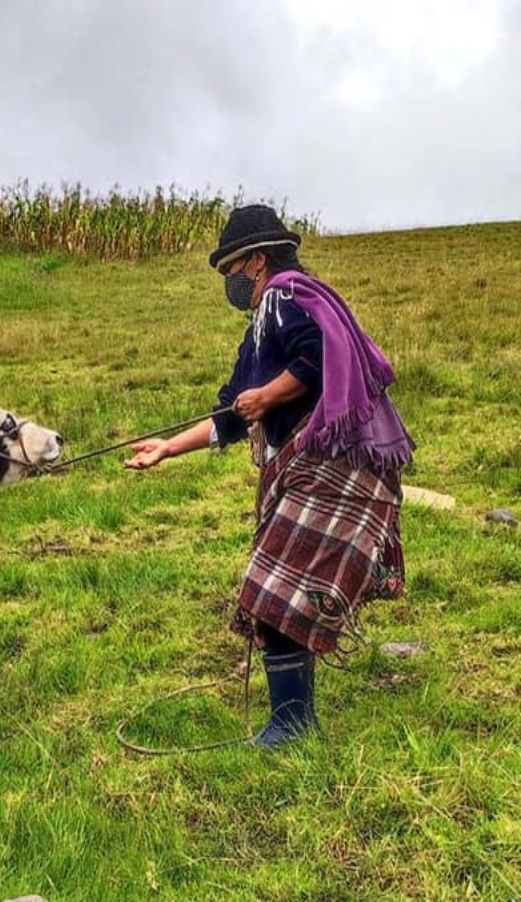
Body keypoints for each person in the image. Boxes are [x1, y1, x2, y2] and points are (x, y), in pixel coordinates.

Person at [124, 204, 414, 747]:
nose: (229, 281)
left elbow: (315, 359)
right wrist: (167, 448)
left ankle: (291, 724)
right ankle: (293, 720)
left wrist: (272, 394)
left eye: (231, 268)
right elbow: (233, 413)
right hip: (324, 469)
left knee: (277, 587)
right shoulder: (263, 323)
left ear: (257, 261)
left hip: (331, 466)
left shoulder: (286, 295)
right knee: (285, 590)